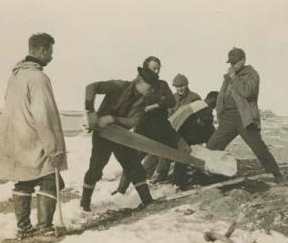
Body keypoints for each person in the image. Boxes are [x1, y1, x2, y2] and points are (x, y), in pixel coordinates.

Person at [0, 33, 67, 240]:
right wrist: (54, 149)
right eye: (50, 51)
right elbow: (44, 117)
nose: (51, 56)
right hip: (36, 141)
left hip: (17, 140)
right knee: (51, 180)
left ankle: (24, 228)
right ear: (41, 50)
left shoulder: (15, 76)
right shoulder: (38, 78)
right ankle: (44, 228)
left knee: (24, 180)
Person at [81, 66, 159, 212]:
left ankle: (147, 201)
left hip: (122, 136)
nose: (152, 90)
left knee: (134, 166)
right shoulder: (119, 85)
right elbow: (91, 87)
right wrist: (90, 111)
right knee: (96, 169)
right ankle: (84, 204)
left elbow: (132, 121)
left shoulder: (142, 101)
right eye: (150, 87)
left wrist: (112, 119)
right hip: (103, 135)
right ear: (140, 81)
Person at [207, 47, 287, 185]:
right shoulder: (229, 76)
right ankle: (213, 176)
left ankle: (277, 175)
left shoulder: (252, 74)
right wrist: (220, 111)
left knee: (258, 147)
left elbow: (247, 92)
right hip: (228, 117)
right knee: (212, 146)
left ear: (243, 60)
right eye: (230, 63)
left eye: (235, 62)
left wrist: (234, 78)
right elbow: (222, 94)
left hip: (244, 118)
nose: (232, 65)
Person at [113, 57, 191, 193]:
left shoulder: (163, 84)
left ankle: (179, 183)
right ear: (145, 70)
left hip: (163, 129)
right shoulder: (137, 86)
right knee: (132, 160)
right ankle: (120, 190)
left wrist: (154, 104)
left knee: (184, 150)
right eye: (153, 68)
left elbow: (171, 101)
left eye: (158, 68)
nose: (156, 71)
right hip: (144, 130)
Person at [155, 91, 219, 188]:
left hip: (173, 128)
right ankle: (178, 181)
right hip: (177, 132)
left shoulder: (197, 104)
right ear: (214, 101)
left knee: (170, 153)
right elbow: (203, 125)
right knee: (184, 151)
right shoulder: (204, 108)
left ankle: (161, 177)